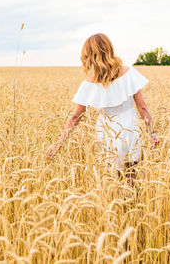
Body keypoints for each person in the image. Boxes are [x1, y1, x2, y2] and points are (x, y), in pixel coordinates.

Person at [45, 33, 159, 183]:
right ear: (109, 49)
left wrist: (58, 144)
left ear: (90, 56)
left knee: (113, 180)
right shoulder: (129, 73)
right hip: (130, 130)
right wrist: (152, 134)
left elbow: (75, 117)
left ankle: (116, 205)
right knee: (132, 178)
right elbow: (142, 107)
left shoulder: (89, 84)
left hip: (106, 133)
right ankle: (132, 205)